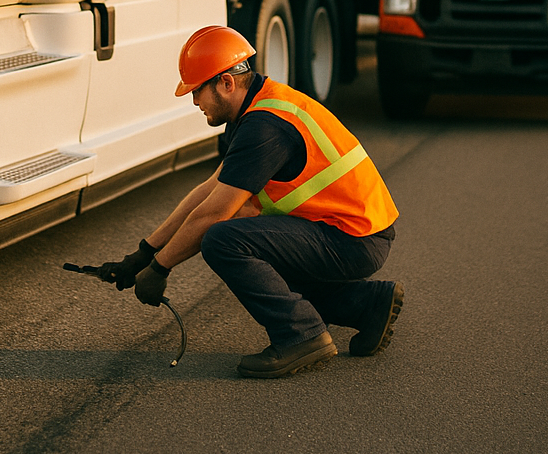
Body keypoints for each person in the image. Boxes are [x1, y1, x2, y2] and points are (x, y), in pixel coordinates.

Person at [99, 25, 402, 378]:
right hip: (353, 231)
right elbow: (208, 191)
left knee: (224, 239)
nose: (194, 101)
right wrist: (144, 253)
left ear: (226, 83)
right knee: (251, 237)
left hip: (354, 240)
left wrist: (160, 269)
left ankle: (300, 335)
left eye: (197, 91)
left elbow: (213, 214)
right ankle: (367, 306)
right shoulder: (258, 107)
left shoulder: (265, 126)